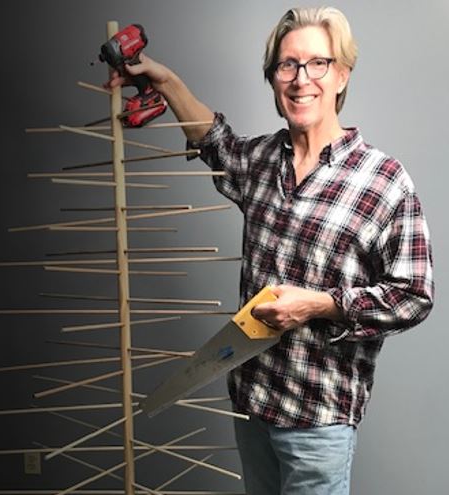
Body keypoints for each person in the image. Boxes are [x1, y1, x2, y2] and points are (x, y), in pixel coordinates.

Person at [107, 7, 434, 495]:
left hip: (317, 419)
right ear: (273, 79)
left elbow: (414, 295)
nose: (302, 80)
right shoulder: (261, 160)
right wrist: (166, 80)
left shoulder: (384, 181)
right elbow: (214, 142)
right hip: (250, 402)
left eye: (317, 64)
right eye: (287, 65)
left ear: (342, 75)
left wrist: (319, 305)